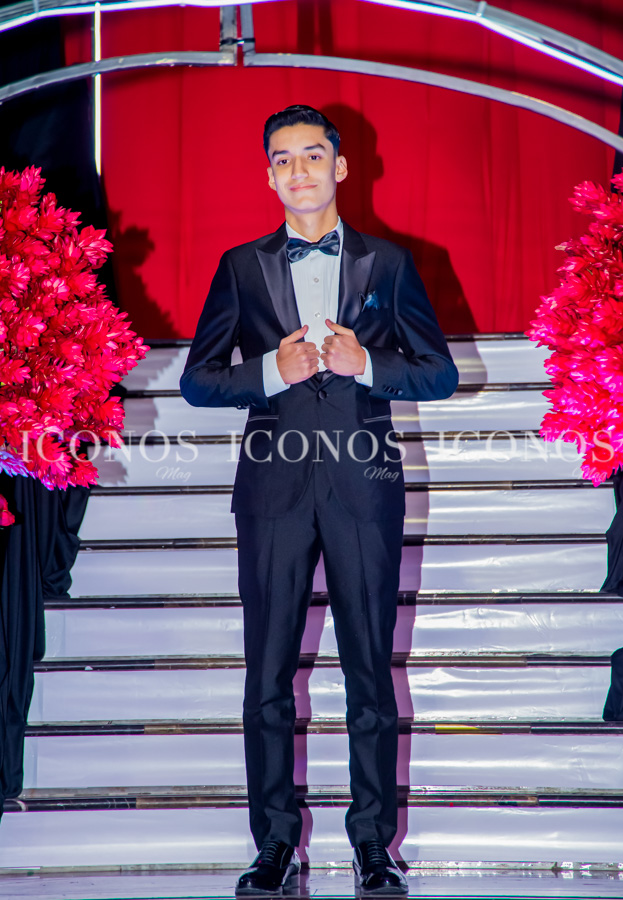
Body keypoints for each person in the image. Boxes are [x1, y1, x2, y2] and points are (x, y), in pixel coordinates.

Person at [181, 105, 458, 896]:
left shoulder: (390, 262)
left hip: (363, 490)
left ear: (339, 167)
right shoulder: (240, 266)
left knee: (369, 672)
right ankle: (273, 844)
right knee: (266, 676)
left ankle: (373, 845)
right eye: (282, 159)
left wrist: (364, 363)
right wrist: (273, 371)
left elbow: (438, 373)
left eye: (311, 156)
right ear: (267, 175)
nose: (297, 170)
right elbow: (199, 381)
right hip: (271, 490)